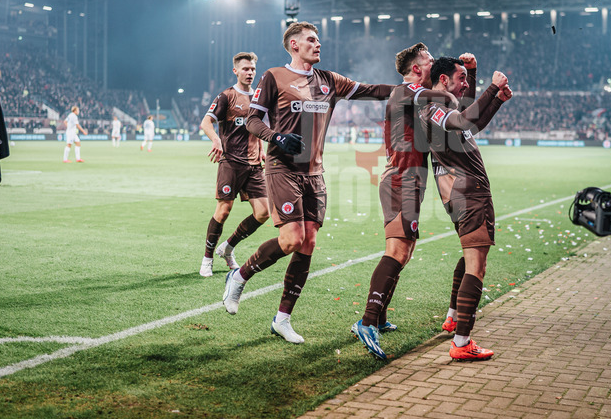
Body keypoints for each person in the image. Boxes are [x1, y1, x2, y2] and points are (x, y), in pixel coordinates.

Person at [221, 21, 392, 344]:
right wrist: (276, 137)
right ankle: (239, 275)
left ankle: (282, 319)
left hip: (315, 173)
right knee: (291, 239)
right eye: (312, 40)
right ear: (294, 45)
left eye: (318, 40)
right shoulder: (274, 76)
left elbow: (371, 91)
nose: (318, 45)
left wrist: (411, 88)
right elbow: (253, 120)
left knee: (308, 243)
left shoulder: (329, 81)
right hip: (281, 167)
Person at [352, 45, 475, 360]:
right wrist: (448, 88)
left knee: (404, 252)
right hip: (400, 180)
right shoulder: (405, 91)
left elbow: (460, 112)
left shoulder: (416, 94)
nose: (433, 62)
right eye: (429, 59)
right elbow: (449, 100)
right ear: (416, 66)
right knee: (397, 251)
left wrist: (468, 76)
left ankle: (377, 317)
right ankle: (367, 322)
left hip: (410, 182)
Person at [415, 56, 511, 362]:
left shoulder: (443, 107)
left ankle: (454, 318)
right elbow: (465, 120)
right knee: (477, 265)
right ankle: (461, 341)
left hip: (460, 195)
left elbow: (473, 123)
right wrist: (491, 86)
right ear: (444, 80)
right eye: (461, 78)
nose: (466, 83)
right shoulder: (434, 107)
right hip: (469, 194)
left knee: (471, 255)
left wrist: (495, 99)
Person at [198, 52, 270, 278]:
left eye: (252, 69)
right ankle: (207, 259)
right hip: (231, 162)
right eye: (245, 69)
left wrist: (262, 150)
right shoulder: (226, 96)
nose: (249, 73)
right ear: (236, 71)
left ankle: (227, 248)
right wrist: (216, 139)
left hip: (254, 164)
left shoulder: (259, 98)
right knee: (224, 210)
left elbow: (256, 127)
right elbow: (206, 121)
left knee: (263, 213)